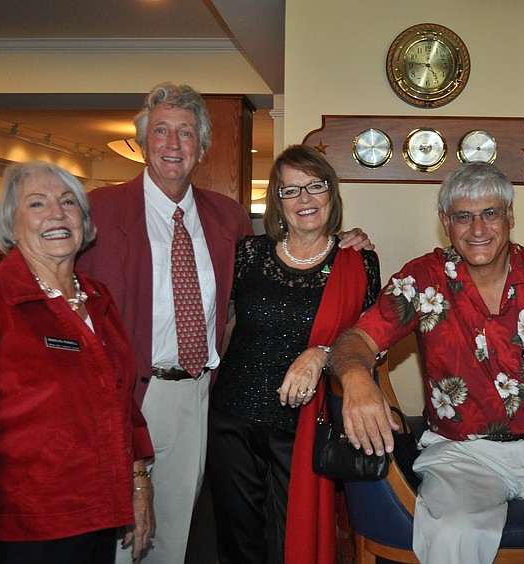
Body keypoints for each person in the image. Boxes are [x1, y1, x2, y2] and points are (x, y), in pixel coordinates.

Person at [75, 82, 372, 564]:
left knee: (172, 536)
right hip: (127, 394)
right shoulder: (98, 210)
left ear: (202, 147)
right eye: (161, 131)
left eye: (186, 133)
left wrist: (349, 244)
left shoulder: (226, 218)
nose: (173, 144)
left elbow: (262, 302)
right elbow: (45, 266)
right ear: (143, 142)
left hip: (199, 396)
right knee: (114, 534)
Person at [328, 162, 524, 564]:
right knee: (453, 533)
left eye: (490, 213)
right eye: (463, 216)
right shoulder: (422, 279)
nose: (478, 229)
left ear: (510, 216)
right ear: (445, 222)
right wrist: (355, 378)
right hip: (460, 453)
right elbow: (355, 340)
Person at [0, 161, 153, 564]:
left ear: (85, 219)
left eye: (68, 202)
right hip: (29, 526)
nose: (57, 214)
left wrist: (138, 486)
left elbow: (124, 403)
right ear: (10, 223)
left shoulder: (98, 297)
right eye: (37, 204)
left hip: (101, 512)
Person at [206, 144, 381, 564]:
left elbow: (371, 341)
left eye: (315, 186)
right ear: (278, 201)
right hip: (233, 415)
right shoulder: (248, 254)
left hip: (305, 421)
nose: (305, 198)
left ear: (331, 193)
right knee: (237, 536)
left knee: (295, 538)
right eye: (291, 190)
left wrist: (322, 351)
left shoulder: (358, 261)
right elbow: (221, 324)